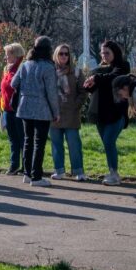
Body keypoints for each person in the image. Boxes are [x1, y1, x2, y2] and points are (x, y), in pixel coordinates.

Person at [11, 37, 60, 187]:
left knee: (28, 141)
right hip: (42, 108)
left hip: (25, 106)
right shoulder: (48, 67)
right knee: (39, 143)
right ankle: (37, 176)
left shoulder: (26, 64)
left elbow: (13, 83)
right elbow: (51, 92)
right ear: (49, 49)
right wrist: (56, 112)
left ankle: (27, 174)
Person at [83, 40, 130, 186]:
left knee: (109, 141)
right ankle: (112, 171)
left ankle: (114, 174)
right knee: (107, 144)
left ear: (115, 52)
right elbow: (94, 89)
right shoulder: (98, 70)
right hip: (100, 113)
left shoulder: (122, 66)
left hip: (116, 113)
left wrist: (96, 78)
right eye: (102, 53)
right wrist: (88, 85)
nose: (104, 56)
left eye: (107, 53)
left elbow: (114, 78)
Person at [51, 43, 87, 181]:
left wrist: (75, 106)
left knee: (74, 145)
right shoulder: (50, 72)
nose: (64, 56)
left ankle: (78, 171)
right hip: (54, 114)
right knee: (56, 144)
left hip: (71, 114)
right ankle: (59, 170)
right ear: (56, 55)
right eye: (61, 53)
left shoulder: (76, 72)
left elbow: (83, 92)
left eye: (66, 54)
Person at [0, 43, 26, 176]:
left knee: (22, 138)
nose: (6, 57)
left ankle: (26, 166)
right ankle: (14, 165)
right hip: (8, 109)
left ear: (15, 55)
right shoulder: (7, 69)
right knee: (13, 139)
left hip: (19, 109)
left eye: (8, 54)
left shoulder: (22, 67)